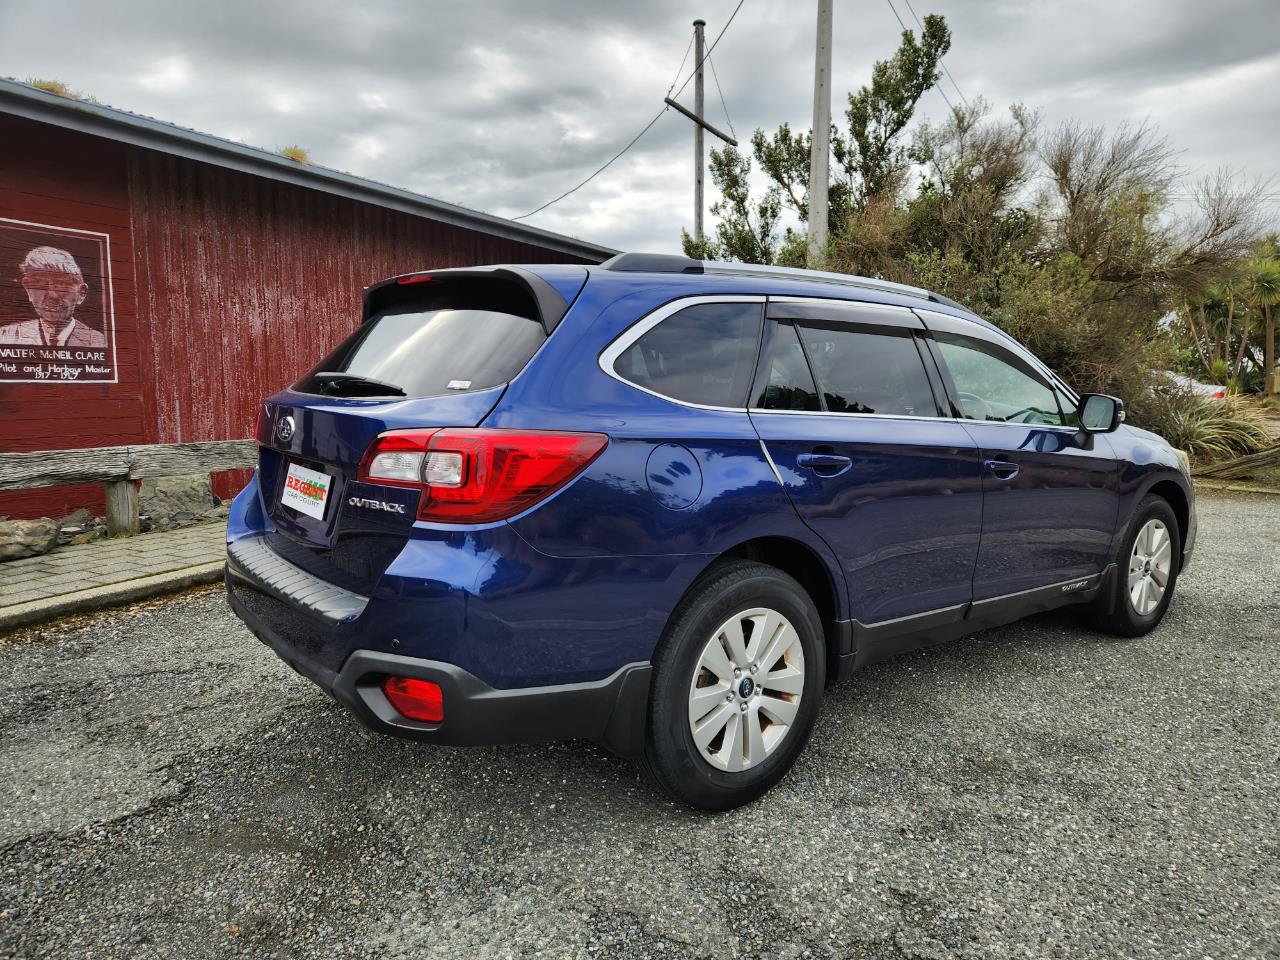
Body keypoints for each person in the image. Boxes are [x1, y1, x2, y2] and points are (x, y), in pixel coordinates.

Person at [0, 245, 107, 348]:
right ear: (28, 290)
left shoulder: (99, 342)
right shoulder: (6, 337)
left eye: (62, 284)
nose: (52, 295)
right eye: (40, 284)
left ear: (81, 293)